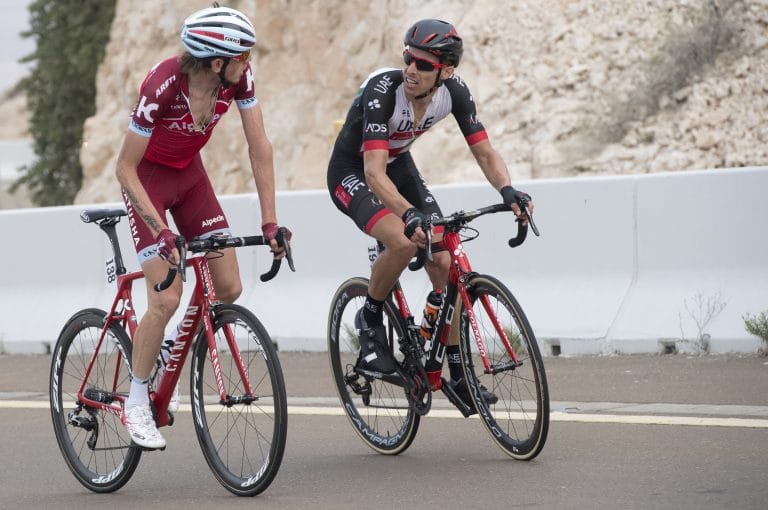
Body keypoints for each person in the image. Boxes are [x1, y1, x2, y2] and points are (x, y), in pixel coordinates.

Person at [326, 19, 533, 407]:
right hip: (353, 170)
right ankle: (370, 319)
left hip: (398, 163)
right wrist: (407, 215)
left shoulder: (454, 92)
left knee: (444, 259)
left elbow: (484, 151)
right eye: (408, 57)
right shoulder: (383, 90)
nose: (410, 69)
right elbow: (373, 172)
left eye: (422, 64)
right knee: (404, 244)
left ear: (446, 71)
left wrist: (509, 191)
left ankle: (456, 373)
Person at [116, 5, 289, 449]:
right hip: (148, 181)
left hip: (190, 177)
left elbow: (259, 146)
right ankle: (136, 402)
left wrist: (270, 220)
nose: (248, 63)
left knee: (228, 286)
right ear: (217, 61)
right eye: (242, 55)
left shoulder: (238, 80)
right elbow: (124, 169)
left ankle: (169, 348)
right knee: (166, 296)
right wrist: (159, 229)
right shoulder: (162, 85)